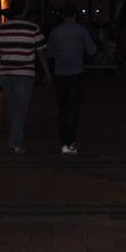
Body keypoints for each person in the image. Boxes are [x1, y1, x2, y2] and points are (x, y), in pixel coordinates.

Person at [0, 0, 52, 154]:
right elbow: (41, 53)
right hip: (25, 73)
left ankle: (14, 132)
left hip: (6, 73)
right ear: (24, 10)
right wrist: (47, 72)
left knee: (12, 105)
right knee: (20, 108)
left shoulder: (2, 28)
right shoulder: (33, 28)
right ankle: (15, 142)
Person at [46, 10, 97, 154]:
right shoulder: (80, 30)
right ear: (75, 16)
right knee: (74, 108)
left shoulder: (55, 31)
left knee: (62, 107)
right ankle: (69, 140)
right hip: (76, 73)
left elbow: (49, 53)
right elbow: (92, 50)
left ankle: (64, 139)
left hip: (60, 73)